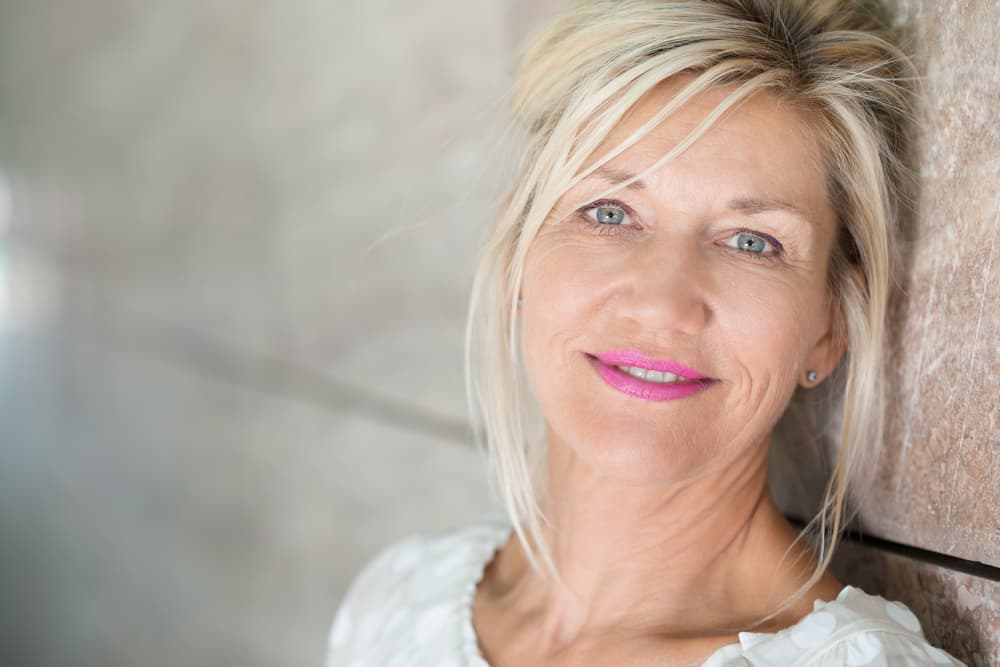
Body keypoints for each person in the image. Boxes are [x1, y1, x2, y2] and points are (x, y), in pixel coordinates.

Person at [327, 1, 968, 665]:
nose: (663, 305)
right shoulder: (395, 602)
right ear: (518, 251)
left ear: (829, 327)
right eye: (609, 212)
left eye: (751, 241)